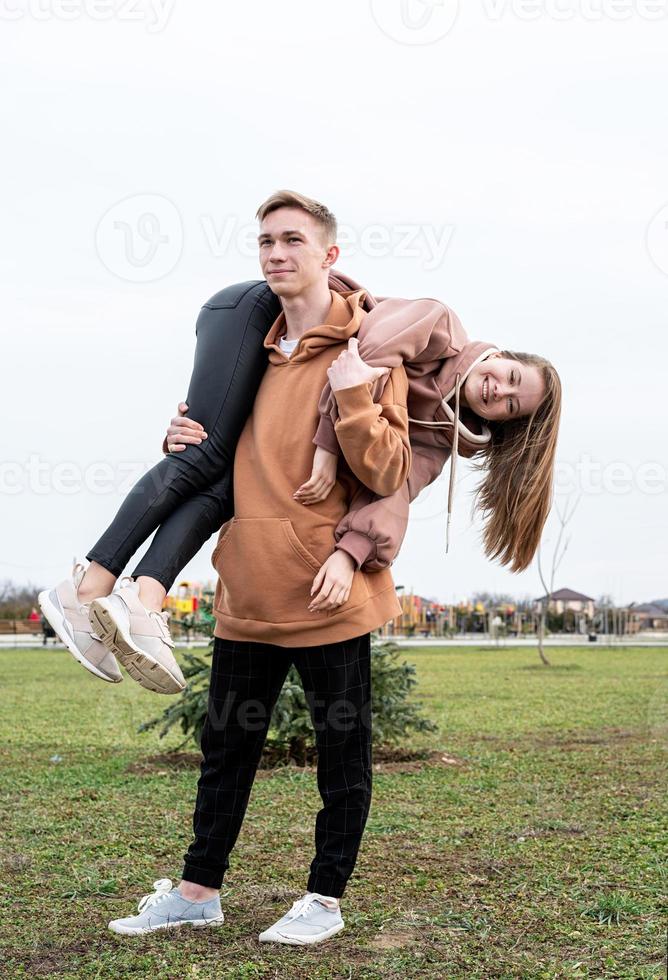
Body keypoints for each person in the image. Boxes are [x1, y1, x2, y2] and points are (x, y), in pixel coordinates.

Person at [107, 190, 411, 945]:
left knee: (342, 755)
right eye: (265, 242)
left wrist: (353, 403)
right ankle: (195, 892)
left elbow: (390, 469)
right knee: (225, 753)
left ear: (328, 256)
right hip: (248, 585)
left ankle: (324, 900)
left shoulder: (368, 350)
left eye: (292, 241)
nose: (276, 254)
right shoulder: (253, 352)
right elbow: (217, 454)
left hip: (328, 594)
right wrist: (182, 431)